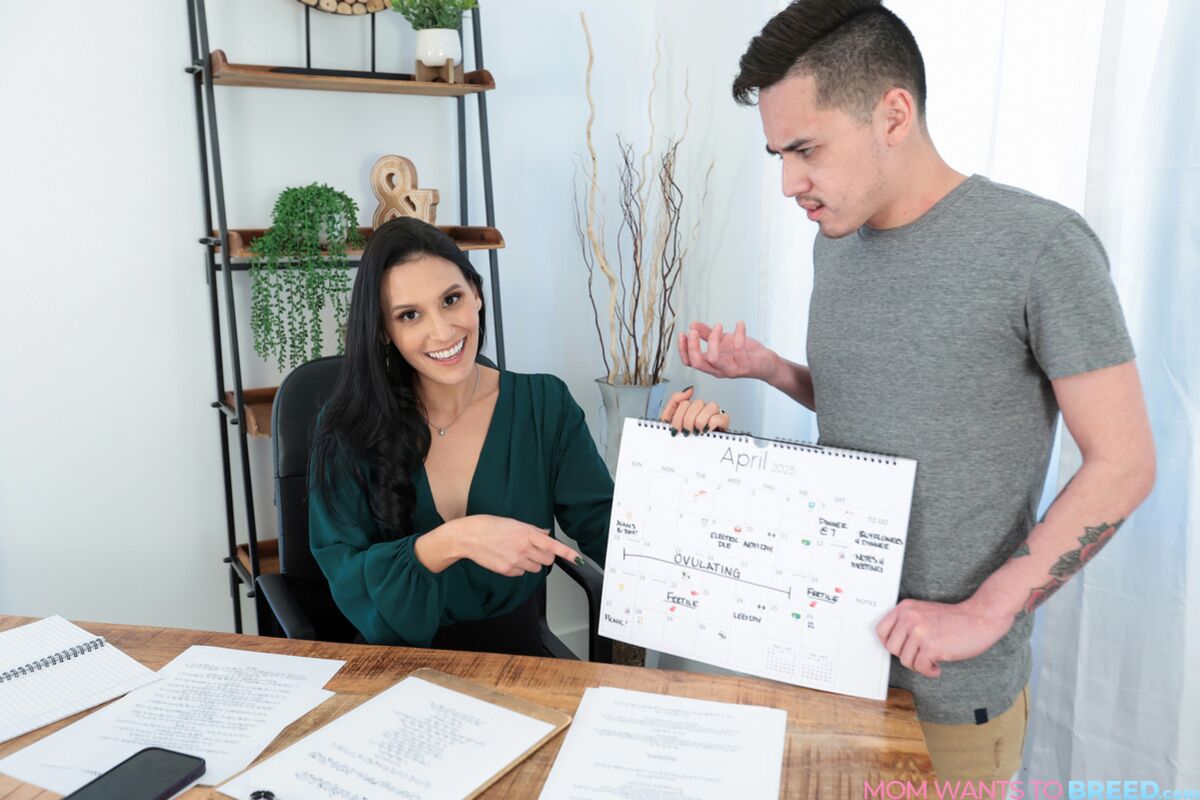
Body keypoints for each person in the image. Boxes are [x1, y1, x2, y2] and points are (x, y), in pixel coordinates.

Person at [677, 0, 1156, 784]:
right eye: (778, 156)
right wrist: (773, 370)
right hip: (826, 661)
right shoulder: (835, 242)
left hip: (950, 693)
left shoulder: (1041, 247)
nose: (791, 183)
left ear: (893, 115)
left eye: (806, 149)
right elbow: (890, 404)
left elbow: (1126, 462)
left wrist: (986, 611)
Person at [309, 217, 723, 657]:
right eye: (410, 315)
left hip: (520, 662)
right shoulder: (347, 427)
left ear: (476, 294)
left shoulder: (544, 406)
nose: (443, 332)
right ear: (383, 330)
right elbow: (347, 576)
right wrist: (455, 540)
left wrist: (682, 467)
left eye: (451, 299)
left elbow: (614, 537)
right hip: (394, 664)